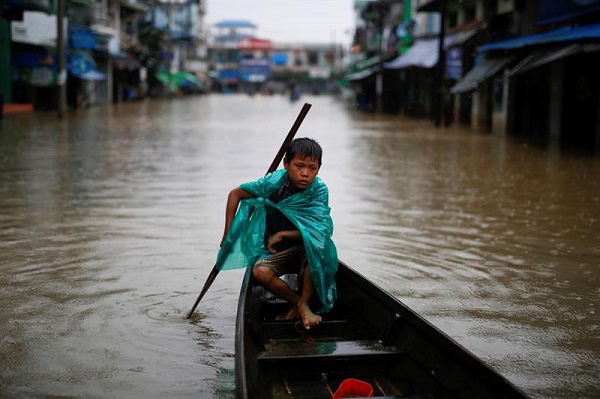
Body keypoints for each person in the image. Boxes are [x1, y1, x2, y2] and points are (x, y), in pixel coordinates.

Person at [216, 138, 338, 329]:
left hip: (305, 249)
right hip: (275, 250)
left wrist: (283, 235)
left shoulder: (318, 190)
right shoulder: (274, 183)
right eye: (299, 166)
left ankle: (304, 302)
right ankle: (298, 302)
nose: (305, 173)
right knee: (259, 272)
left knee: (315, 244)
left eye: (312, 168)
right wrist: (228, 234)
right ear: (286, 164)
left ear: (319, 168)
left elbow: (319, 231)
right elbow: (235, 194)